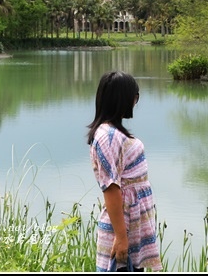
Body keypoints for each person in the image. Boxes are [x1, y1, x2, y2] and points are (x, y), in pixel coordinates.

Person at [87, 70, 163, 272]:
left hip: (131, 225)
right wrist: (121, 238)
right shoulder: (108, 137)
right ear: (124, 99)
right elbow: (111, 188)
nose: (135, 103)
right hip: (123, 227)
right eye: (134, 97)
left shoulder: (113, 132)